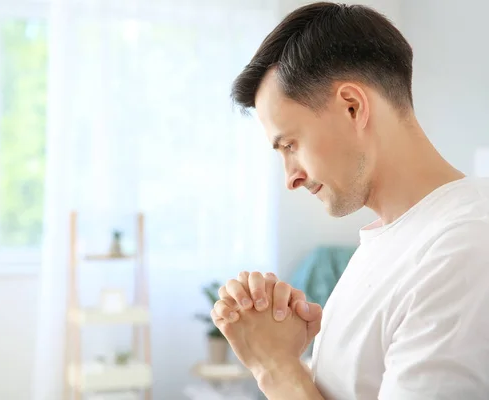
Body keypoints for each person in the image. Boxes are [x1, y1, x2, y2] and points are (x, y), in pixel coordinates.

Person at [209, 2, 489, 399]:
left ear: (352, 106)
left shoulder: (463, 249)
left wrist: (275, 366)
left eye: (291, 144)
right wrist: (288, 348)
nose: (291, 178)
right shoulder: (392, 240)